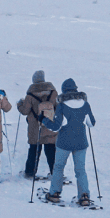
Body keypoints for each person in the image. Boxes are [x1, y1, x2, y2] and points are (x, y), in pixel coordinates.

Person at [39, 78, 96, 206]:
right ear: (76, 89)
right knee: (80, 170)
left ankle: (54, 194)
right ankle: (84, 196)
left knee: (58, 167)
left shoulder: (62, 106)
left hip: (64, 143)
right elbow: (91, 123)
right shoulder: (85, 105)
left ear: (64, 91)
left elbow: (56, 127)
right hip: (81, 143)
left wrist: (44, 120)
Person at [17, 70, 59, 179]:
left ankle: (30, 172)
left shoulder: (30, 95)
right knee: (51, 150)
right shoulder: (53, 93)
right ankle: (55, 173)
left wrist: (20, 105)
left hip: (35, 128)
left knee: (34, 150)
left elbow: (25, 111)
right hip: (49, 126)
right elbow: (58, 108)